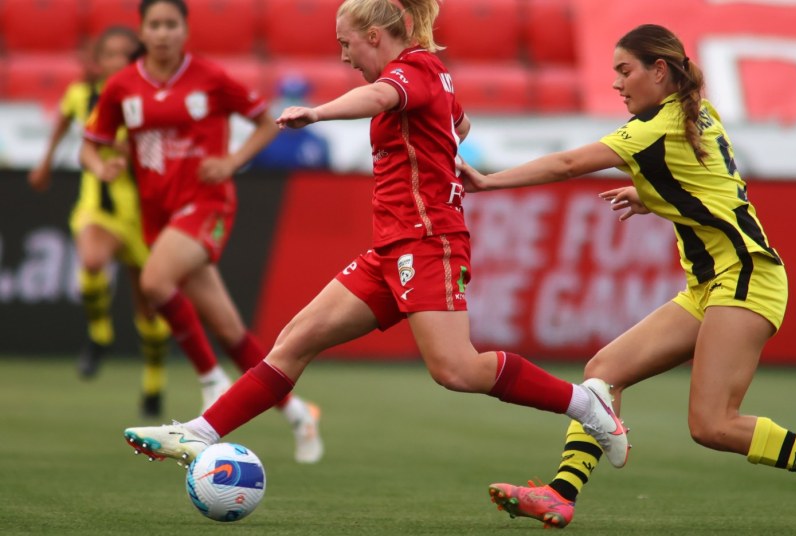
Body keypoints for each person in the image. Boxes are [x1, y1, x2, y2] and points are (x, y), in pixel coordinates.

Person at [121, 0, 627, 477]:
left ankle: (585, 404)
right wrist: (441, 149)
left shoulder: (413, 69)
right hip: (392, 246)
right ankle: (198, 433)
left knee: (456, 369)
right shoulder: (430, 74)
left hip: (427, 241)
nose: (344, 57)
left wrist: (317, 112)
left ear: (374, 36)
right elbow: (461, 122)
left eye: (346, 44)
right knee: (295, 340)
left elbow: (382, 96)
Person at [460, 24, 796, 533]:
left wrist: (488, 181)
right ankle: (560, 494)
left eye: (625, 70)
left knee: (713, 424)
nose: (617, 83)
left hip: (745, 277)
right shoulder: (697, 111)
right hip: (711, 286)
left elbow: (568, 163)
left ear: (659, 71)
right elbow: (711, 182)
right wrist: (652, 195)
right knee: (603, 372)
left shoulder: (653, 129)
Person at [82, 0, 322, 463]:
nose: (163, 33)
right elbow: (89, 147)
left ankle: (211, 380)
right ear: (142, 31)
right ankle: (298, 413)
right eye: (155, 25)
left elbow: (265, 122)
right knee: (229, 329)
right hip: (158, 215)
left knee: (154, 281)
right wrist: (102, 166)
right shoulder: (122, 86)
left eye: (171, 24)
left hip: (207, 204)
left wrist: (232, 161)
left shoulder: (210, 77)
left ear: (185, 30)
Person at [28, 26, 171, 418]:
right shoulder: (83, 95)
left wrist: (135, 150)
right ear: (99, 60)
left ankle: (153, 383)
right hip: (101, 205)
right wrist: (45, 162)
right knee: (91, 261)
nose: (117, 62)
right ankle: (100, 333)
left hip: (145, 213)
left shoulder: (152, 98)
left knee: (150, 306)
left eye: (126, 55)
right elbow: (65, 125)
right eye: (110, 54)